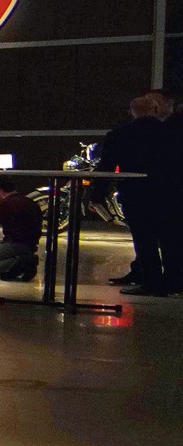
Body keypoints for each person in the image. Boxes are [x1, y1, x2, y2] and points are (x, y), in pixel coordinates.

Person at [99, 90, 174, 295]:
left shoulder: (119, 135)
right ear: (154, 109)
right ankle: (173, 280)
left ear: (132, 111)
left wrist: (98, 192)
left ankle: (151, 280)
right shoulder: (170, 133)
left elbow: (106, 166)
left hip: (135, 194)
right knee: (169, 237)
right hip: (168, 193)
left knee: (144, 239)